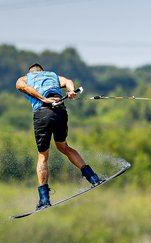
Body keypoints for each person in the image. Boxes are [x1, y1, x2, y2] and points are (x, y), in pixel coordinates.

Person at [15, 63, 101, 210]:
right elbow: (68, 81)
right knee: (64, 146)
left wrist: (43, 99)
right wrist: (71, 91)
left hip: (43, 113)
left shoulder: (25, 78)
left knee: (42, 156)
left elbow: (23, 87)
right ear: (42, 71)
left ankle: (44, 200)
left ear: (31, 72)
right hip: (60, 110)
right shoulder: (52, 75)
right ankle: (93, 178)